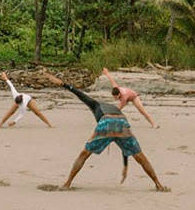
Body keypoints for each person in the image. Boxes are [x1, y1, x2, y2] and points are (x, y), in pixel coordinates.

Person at [40, 70, 168, 191]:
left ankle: (67, 184)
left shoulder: (95, 104)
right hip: (122, 122)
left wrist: (63, 84)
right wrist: (125, 166)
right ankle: (158, 184)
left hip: (107, 122)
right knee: (140, 156)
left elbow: (79, 94)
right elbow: (125, 147)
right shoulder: (114, 107)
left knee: (84, 154)